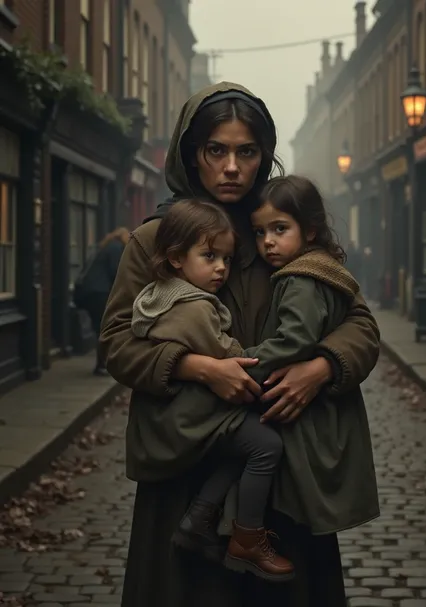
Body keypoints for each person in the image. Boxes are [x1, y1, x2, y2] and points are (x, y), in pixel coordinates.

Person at [100, 82, 380, 607]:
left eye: (246, 152)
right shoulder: (156, 239)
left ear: (263, 156)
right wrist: (197, 367)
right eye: (216, 150)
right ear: (192, 153)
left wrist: (321, 366)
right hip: (186, 460)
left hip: (282, 461)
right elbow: (116, 342)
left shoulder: (282, 230)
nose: (231, 167)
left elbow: (359, 323)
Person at [131, 198, 294, 582]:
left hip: (181, 412)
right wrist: (262, 365)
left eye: (225, 258)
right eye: (209, 256)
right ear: (175, 258)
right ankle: (248, 536)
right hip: (200, 412)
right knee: (267, 446)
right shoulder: (196, 308)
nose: (221, 268)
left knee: (245, 448)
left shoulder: (161, 294)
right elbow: (227, 354)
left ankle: (198, 519)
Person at [75, 227, 129, 375]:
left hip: (89, 292)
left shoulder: (104, 247)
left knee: (101, 328)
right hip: (100, 292)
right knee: (106, 328)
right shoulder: (116, 248)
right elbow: (115, 271)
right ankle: (103, 365)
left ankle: (102, 364)